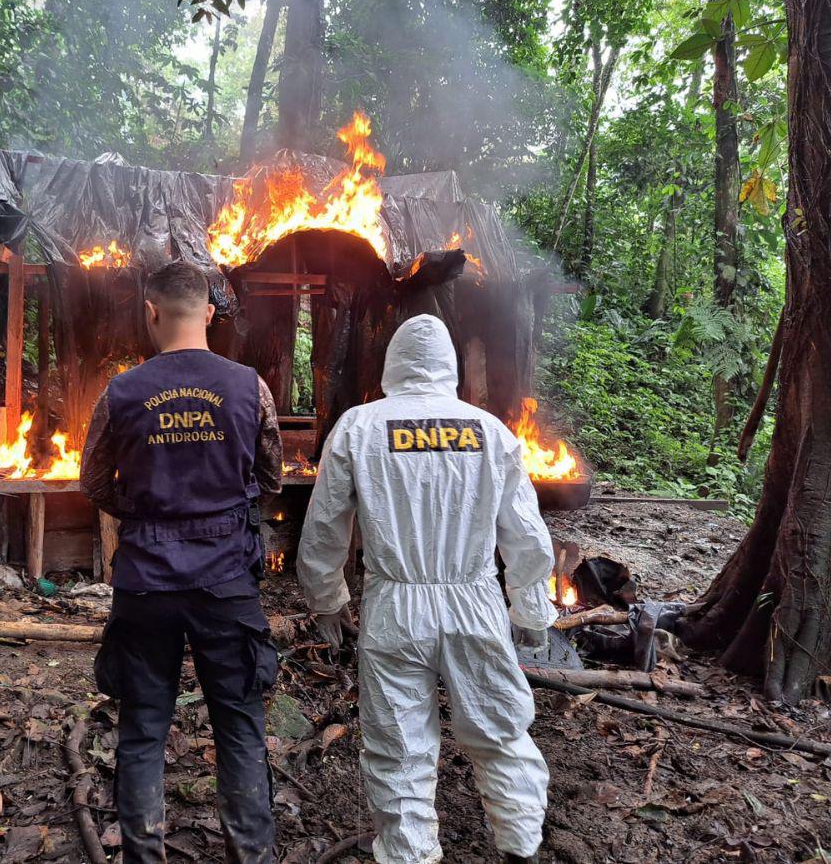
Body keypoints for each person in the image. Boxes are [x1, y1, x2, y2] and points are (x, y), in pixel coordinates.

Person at [295, 314, 555, 864]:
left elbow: (323, 528)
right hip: (476, 604)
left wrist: (327, 600)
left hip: (395, 608)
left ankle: (411, 855)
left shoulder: (360, 427)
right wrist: (531, 610)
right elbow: (527, 535)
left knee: (399, 750)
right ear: (449, 368)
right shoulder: (489, 432)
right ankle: (520, 850)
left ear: (392, 365)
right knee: (501, 733)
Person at [80, 261, 282, 864]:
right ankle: (252, 856)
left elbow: (93, 480)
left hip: (145, 581)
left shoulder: (121, 391)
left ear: (151, 311)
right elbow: (270, 477)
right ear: (211, 315)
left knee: (142, 728)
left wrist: (146, 515)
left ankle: (144, 857)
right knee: (240, 723)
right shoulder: (251, 387)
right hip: (226, 580)